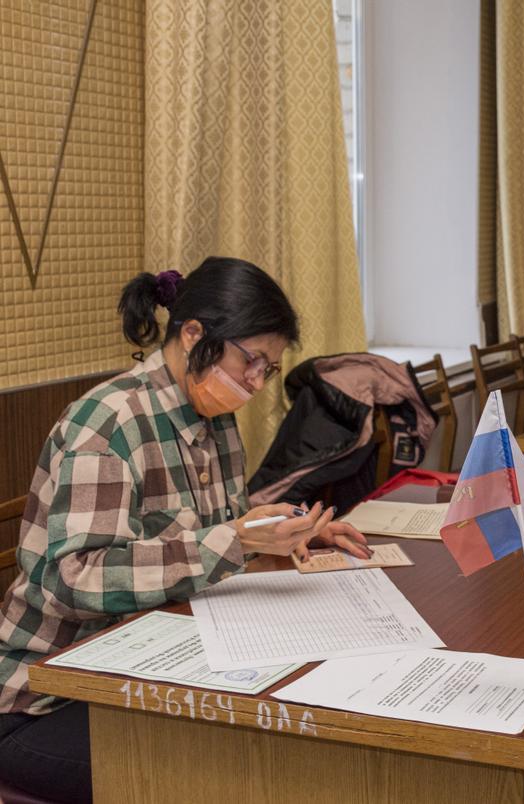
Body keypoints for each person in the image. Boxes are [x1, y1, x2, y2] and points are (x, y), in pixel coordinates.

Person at [0, 257, 371, 803]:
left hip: (145, 669)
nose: (255, 382)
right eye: (252, 360)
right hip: (47, 699)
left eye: (267, 370)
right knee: (239, 776)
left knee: (288, 743)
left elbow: (216, 534)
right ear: (193, 333)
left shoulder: (215, 420)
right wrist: (237, 541)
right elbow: (71, 579)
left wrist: (287, 532)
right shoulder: (110, 422)